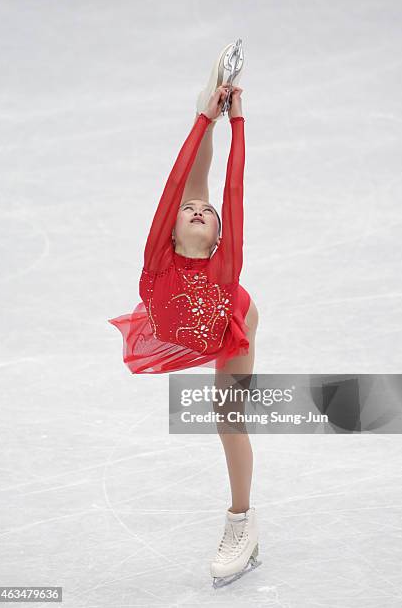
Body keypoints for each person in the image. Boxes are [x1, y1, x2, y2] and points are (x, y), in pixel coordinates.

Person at [108, 41, 260, 587]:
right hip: (177, 311)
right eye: (191, 213)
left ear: (220, 234)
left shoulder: (226, 267)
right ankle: (207, 104)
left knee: (228, 418)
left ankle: (241, 521)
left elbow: (232, 191)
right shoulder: (157, 262)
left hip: (228, 323)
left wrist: (236, 122)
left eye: (206, 215)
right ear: (171, 229)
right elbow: (179, 186)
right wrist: (202, 118)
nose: (199, 210)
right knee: (191, 180)